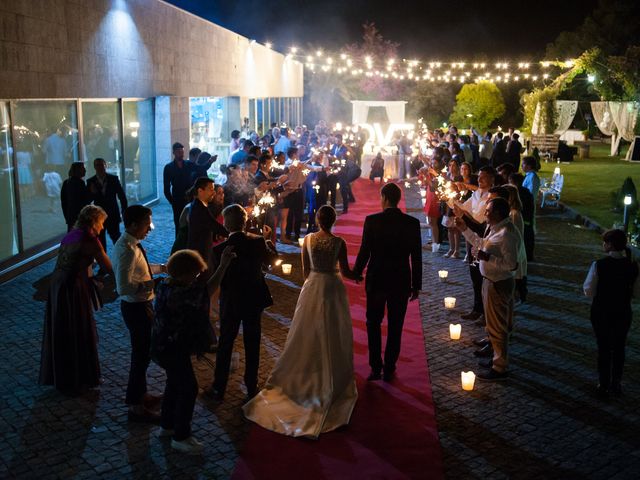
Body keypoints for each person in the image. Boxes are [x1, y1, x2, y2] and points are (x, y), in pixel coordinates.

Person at [244, 205, 359, 438]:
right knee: (334, 329)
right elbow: (346, 272)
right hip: (333, 287)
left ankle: (308, 364)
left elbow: (306, 271)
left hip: (314, 284)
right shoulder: (339, 243)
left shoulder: (307, 240)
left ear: (317, 219)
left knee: (308, 329)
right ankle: (333, 372)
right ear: (334, 220)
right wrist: (357, 276)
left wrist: (312, 285)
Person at [152, 247, 236, 454]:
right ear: (184, 273)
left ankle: (167, 425)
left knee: (174, 383)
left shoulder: (164, 285)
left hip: (161, 345)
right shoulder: (181, 293)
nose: (196, 277)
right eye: (195, 274)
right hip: (174, 348)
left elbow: (202, 291)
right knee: (189, 389)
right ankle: (181, 436)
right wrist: (223, 265)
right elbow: (207, 291)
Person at [206, 205, 277, 402]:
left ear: (227, 225)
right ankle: (251, 384)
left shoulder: (219, 250)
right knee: (252, 342)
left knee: (226, 343)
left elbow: (218, 279)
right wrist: (268, 240)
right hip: (253, 299)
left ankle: (219, 387)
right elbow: (272, 260)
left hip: (231, 301)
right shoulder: (257, 243)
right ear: (245, 222)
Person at [39, 205, 112, 395]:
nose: (103, 227)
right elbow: (108, 266)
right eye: (102, 223)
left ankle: (64, 376)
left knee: (62, 328)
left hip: (57, 285)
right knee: (77, 328)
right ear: (94, 221)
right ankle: (80, 377)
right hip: (72, 287)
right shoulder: (91, 240)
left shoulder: (70, 235)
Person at [354, 183, 422, 381]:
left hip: (377, 278)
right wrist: (416, 285)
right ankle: (390, 365)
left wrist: (357, 272)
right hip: (400, 279)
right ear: (399, 198)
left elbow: (364, 250)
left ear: (384, 197)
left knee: (373, 322)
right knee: (396, 324)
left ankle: (375, 366)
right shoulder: (411, 223)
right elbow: (416, 257)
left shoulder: (372, 221)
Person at [113, 205, 167, 423]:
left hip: (142, 306)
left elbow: (141, 269)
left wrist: (162, 267)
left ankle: (141, 396)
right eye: (147, 224)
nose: (150, 229)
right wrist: (152, 284)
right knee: (140, 356)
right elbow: (123, 288)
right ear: (133, 224)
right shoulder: (126, 249)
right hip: (136, 309)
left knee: (143, 355)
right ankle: (135, 406)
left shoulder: (133, 244)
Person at [456, 197, 519, 380]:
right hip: (489, 281)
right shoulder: (495, 228)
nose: (485, 213)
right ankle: (495, 357)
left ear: (498, 213)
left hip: (499, 284)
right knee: (492, 324)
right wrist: (464, 230)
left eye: (488, 211)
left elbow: (512, 265)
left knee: (499, 327)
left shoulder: (507, 234)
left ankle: (500, 367)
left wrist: (487, 258)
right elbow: (481, 243)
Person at [583, 229, 639, 398]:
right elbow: (637, 292)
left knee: (604, 347)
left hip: (602, 311)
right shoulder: (632, 266)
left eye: (605, 242)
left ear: (610, 245)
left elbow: (588, 290)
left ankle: (604, 382)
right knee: (619, 347)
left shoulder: (599, 265)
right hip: (622, 312)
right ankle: (617, 382)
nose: (603, 245)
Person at [86, 157, 128, 251]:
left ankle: (120, 257)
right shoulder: (90, 181)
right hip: (98, 216)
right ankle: (103, 262)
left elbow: (122, 196)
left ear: (106, 166)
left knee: (116, 237)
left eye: (102, 164)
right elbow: (87, 200)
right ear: (94, 167)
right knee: (100, 240)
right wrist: (93, 193)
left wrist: (124, 212)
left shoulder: (113, 179)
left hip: (112, 213)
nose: (100, 167)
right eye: (97, 165)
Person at [187, 177, 228, 264]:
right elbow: (215, 225)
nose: (213, 192)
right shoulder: (199, 209)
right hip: (200, 255)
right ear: (200, 191)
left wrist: (215, 236)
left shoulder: (200, 205)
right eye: (211, 189)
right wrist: (234, 233)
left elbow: (205, 227)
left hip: (202, 251)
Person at [164, 142, 196, 235]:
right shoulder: (169, 167)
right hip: (177, 200)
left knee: (191, 222)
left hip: (189, 199)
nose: (181, 154)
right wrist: (172, 201)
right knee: (178, 224)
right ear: (173, 152)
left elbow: (200, 168)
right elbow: (166, 188)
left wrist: (209, 162)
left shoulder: (188, 164)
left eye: (182, 152)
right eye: (178, 152)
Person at [61, 162, 92, 232]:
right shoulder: (80, 183)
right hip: (80, 217)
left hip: (71, 217)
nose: (85, 170)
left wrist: (67, 217)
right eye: (83, 168)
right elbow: (85, 201)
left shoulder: (66, 182)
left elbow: (64, 202)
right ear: (78, 170)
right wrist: (92, 192)